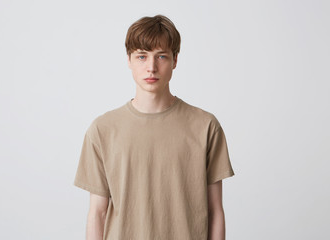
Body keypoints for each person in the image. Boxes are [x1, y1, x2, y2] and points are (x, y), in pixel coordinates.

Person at [74, 14, 235, 240]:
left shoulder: (205, 126)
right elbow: (98, 213)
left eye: (161, 56)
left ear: (175, 60)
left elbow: (215, 210)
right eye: (141, 56)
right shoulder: (102, 130)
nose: (151, 67)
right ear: (128, 60)